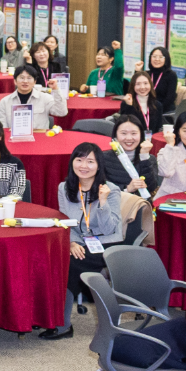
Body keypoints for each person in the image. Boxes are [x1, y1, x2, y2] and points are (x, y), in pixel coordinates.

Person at [41, 142, 126, 340]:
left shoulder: (110, 190)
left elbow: (109, 229)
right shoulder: (65, 188)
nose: (84, 166)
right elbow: (66, 222)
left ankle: (62, 325)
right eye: (79, 160)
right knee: (53, 255)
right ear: (72, 163)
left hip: (107, 243)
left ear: (99, 165)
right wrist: (71, 243)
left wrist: (103, 203)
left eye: (90, 161)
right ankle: (46, 315)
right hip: (79, 241)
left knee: (69, 264)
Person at [0, 66, 69, 129]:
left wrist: (55, 89)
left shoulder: (45, 98)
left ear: (34, 82)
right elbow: (2, 128)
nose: (25, 81)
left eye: (29, 78)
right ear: (15, 81)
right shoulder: (5, 101)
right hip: (13, 140)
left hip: (39, 140)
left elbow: (61, 112)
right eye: (22, 78)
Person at [101, 116, 157, 199]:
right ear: (115, 135)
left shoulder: (149, 158)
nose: (129, 138)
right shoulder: (103, 158)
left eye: (134, 133)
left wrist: (144, 157)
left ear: (141, 135)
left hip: (141, 206)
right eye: (123, 133)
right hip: (114, 206)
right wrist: (127, 189)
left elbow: (152, 188)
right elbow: (102, 188)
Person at [134, 46, 179, 112]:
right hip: (145, 108)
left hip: (164, 111)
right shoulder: (146, 74)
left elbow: (169, 99)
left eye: (161, 57)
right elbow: (134, 90)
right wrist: (137, 71)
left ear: (166, 59)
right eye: (154, 56)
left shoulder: (171, 75)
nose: (157, 59)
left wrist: (155, 110)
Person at [116, 69, 162, 135]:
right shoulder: (127, 103)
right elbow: (125, 126)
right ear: (133, 86)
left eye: (145, 83)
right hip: (132, 140)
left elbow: (158, 129)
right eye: (138, 84)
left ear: (150, 85)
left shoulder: (157, 105)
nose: (142, 87)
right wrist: (129, 106)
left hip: (151, 142)